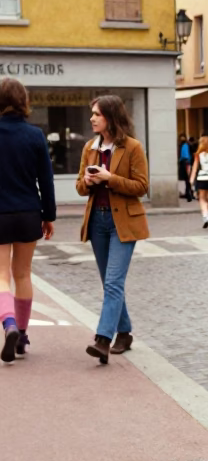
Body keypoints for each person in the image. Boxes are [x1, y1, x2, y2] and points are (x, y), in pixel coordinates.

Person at [76, 94, 149, 364]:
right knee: (110, 283)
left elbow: (142, 186)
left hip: (124, 223)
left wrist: (110, 179)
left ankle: (102, 340)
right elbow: (80, 187)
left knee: (113, 282)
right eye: (92, 113)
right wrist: (88, 180)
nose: (92, 118)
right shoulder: (89, 148)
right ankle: (125, 332)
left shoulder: (132, 147)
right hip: (97, 221)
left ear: (111, 117)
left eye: (97, 114)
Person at [0, 77, 56, 363]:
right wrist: (48, 216)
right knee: (23, 273)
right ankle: (21, 334)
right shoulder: (34, 135)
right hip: (27, 212)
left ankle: (7, 323)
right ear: (24, 101)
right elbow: (46, 180)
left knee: (1, 276)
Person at [178, 134, 193, 202]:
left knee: (187, 179)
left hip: (186, 163)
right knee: (187, 179)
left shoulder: (184, 145)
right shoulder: (185, 145)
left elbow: (185, 156)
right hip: (186, 163)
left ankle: (189, 193)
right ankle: (188, 193)